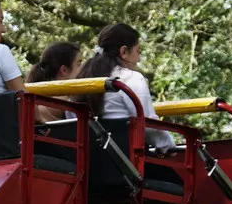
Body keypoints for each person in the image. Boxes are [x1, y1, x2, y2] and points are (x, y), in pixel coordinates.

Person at [73, 23, 176, 154]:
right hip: (123, 159)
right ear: (124, 52)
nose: (138, 59)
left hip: (87, 157)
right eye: (138, 52)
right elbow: (148, 125)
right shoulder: (131, 78)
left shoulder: (83, 79)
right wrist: (169, 146)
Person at [26, 41, 82, 123]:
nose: (83, 68)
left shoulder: (40, 98)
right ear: (64, 70)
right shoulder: (64, 101)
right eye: (79, 64)